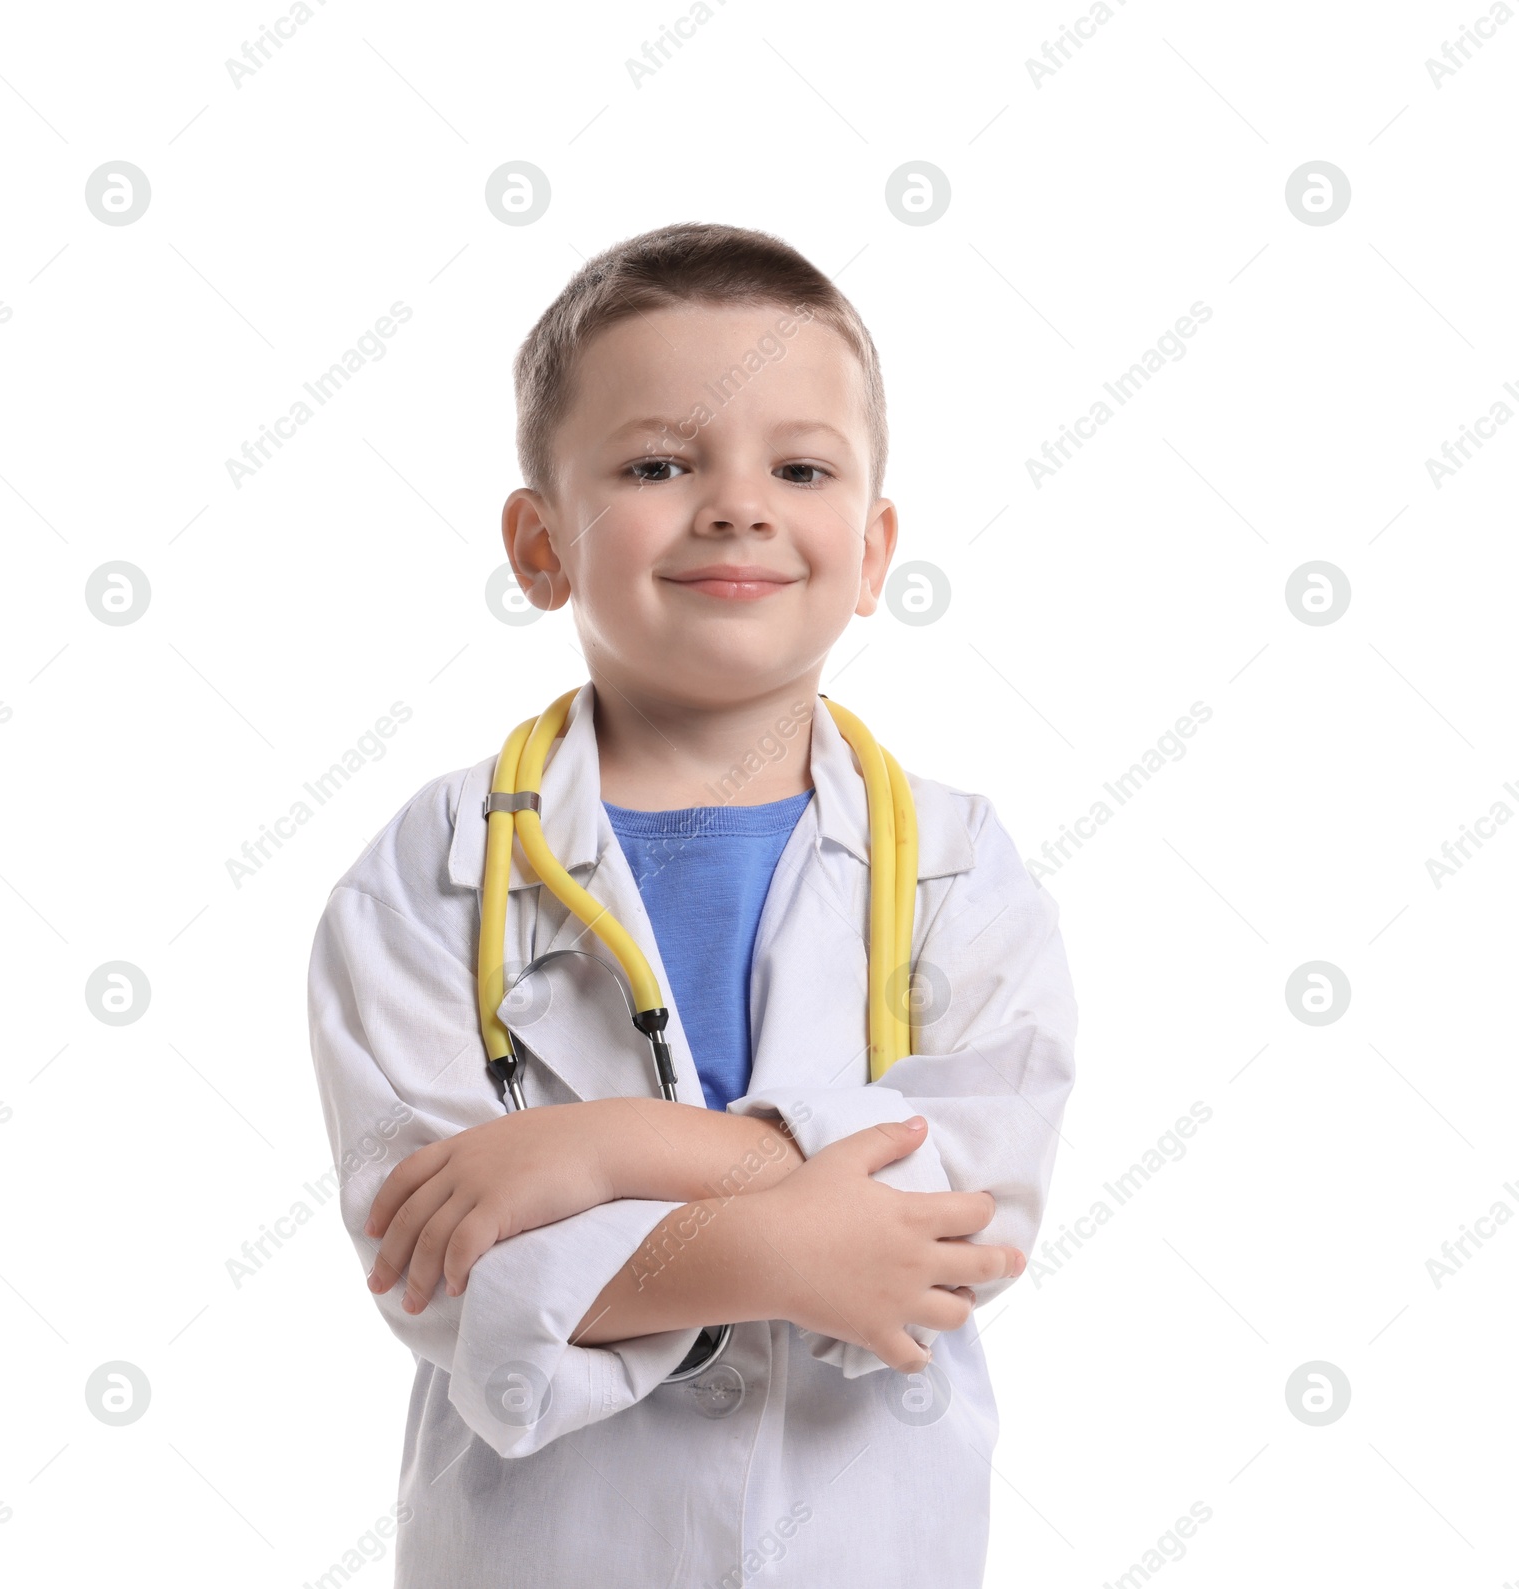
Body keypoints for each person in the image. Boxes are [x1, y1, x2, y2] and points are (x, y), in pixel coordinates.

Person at [306, 221, 1078, 1588]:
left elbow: (955, 1228)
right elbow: (448, 1280)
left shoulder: (962, 866)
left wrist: (606, 1154)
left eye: (801, 467)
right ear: (540, 544)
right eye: (660, 464)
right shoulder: (428, 879)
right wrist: (794, 1235)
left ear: (875, 543)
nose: (737, 504)